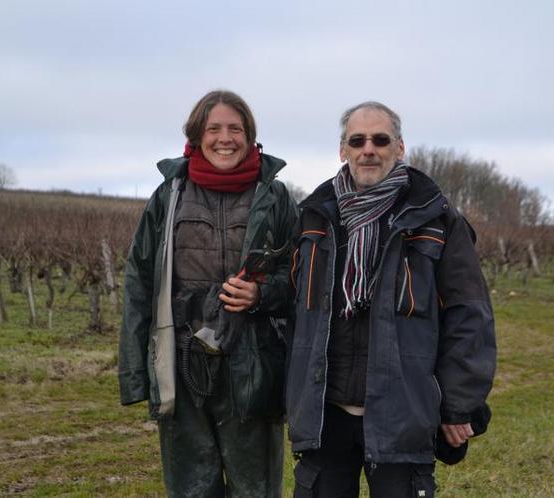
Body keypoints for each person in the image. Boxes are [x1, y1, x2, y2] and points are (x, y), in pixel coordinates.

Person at [286, 101, 496, 497]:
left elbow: (471, 318)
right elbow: (291, 305)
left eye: (380, 140)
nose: (369, 149)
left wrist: (457, 404)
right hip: (325, 414)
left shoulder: (437, 220)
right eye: (357, 140)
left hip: (403, 413)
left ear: (399, 148)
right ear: (342, 150)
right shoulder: (313, 217)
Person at [118, 90, 297, 498]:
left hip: (254, 365)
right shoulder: (169, 196)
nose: (224, 138)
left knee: (257, 489)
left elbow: (302, 277)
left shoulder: (276, 197)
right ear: (196, 134)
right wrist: (134, 375)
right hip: (181, 361)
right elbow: (139, 282)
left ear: (250, 136)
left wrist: (262, 293)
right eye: (213, 128)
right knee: (191, 488)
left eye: (235, 128)